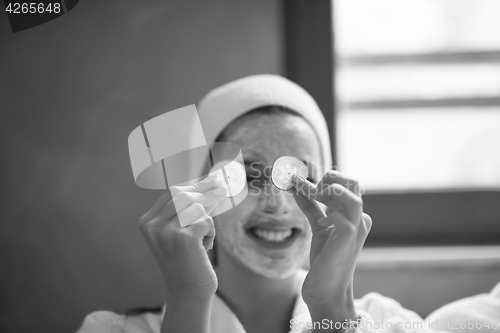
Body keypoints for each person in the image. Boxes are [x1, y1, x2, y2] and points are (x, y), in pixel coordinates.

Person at [76, 74, 498, 333]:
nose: (277, 202)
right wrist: (189, 299)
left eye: (297, 177)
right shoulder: (113, 330)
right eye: (249, 174)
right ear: (200, 185)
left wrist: (332, 310)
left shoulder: (386, 324)